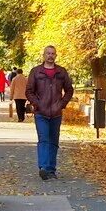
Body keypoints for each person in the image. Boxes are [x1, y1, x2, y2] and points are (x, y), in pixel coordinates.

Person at [24, 45, 73, 180]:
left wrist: (62, 104)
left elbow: (69, 90)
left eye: (53, 53)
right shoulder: (36, 71)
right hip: (41, 113)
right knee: (44, 139)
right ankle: (44, 168)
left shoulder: (61, 72)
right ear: (44, 55)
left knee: (53, 141)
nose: (50, 56)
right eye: (48, 53)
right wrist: (37, 104)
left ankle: (51, 170)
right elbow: (29, 91)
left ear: (55, 56)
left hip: (56, 113)